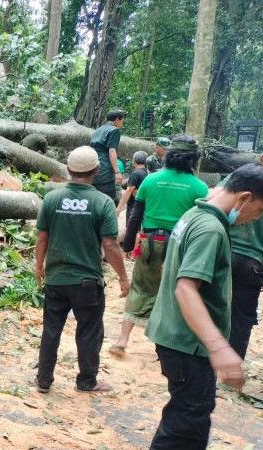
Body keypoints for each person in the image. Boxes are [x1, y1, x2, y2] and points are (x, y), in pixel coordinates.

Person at [146, 163, 263, 450]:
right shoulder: (211, 230)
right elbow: (185, 288)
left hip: (177, 335)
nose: (253, 219)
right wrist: (219, 347)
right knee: (184, 426)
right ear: (244, 198)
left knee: (191, 416)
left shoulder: (194, 215)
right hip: (188, 344)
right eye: (259, 210)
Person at [34, 146, 130, 394]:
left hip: (56, 278)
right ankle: (87, 381)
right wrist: (122, 277)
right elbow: (110, 245)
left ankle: (44, 380)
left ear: (68, 170)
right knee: (88, 332)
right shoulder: (102, 202)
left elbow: (42, 237)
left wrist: (38, 268)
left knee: (51, 329)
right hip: (87, 282)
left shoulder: (52, 199)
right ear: (96, 171)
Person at [110, 135, 208, 355]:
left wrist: (127, 246)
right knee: (176, 292)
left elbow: (135, 216)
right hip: (181, 246)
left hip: (150, 243)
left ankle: (122, 340)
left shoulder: (151, 180)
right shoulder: (199, 188)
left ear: (169, 156)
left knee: (140, 289)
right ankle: (165, 347)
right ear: (193, 159)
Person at [211, 155, 263, 360]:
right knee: (241, 316)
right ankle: (232, 363)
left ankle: (209, 356)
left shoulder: (239, 176)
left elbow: (214, 196)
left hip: (225, 249)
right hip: (254, 261)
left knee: (214, 304)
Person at [90, 109, 126, 204]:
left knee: (94, 195)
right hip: (105, 168)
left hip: (92, 165)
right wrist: (117, 172)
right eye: (122, 121)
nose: (122, 123)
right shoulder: (114, 130)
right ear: (117, 119)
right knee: (110, 199)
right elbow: (112, 150)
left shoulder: (97, 130)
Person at [116, 151, 148, 222]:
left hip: (134, 206)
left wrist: (118, 209)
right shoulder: (146, 173)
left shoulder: (135, 174)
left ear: (134, 161)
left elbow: (128, 191)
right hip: (142, 206)